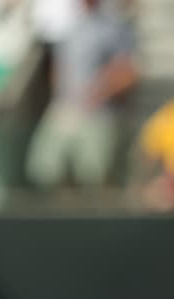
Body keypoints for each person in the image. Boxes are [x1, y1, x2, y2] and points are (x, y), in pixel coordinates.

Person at [25, 0, 137, 191]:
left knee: (93, 173)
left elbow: (128, 70)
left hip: (98, 111)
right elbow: (59, 66)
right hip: (66, 106)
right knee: (45, 167)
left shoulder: (114, 28)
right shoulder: (70, 28)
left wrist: (99, 93)